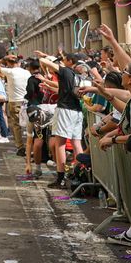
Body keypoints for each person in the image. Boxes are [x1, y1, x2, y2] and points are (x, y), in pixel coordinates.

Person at [37, 51, 90, 188]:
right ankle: (80, 173)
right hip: (76, 111)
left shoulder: (65, 71)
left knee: (60, 144)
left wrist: (43, 58)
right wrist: (49, 85)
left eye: (64, 59)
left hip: (65, 110)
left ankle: (60, 177)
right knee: (76, 143)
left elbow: (45, 62)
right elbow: (64, 90)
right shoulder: (77, 76)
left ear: (70, 61)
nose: (62, 61)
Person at [0, 55, 32, 154]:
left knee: (17, 125)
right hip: (26, 100)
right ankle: (31, 146)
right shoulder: (26, 72)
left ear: (8, 64)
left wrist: (4, 58)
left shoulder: (10, 72)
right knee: (29, 124)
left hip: (14, 101)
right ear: (18, 63)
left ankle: (20, 147)